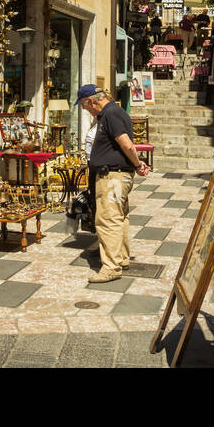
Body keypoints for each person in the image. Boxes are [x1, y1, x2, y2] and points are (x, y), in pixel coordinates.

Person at [76, 83, 150, 282]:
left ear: (90, 101)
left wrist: (137, 163)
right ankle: (121, 258)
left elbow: (126, 144)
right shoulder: (111, 113)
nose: (85, 110)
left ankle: (111, 267)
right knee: (118, 218)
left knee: (108, 220)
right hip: (114, 176)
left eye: (84, 105)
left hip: (112, 177)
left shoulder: (111, 114)